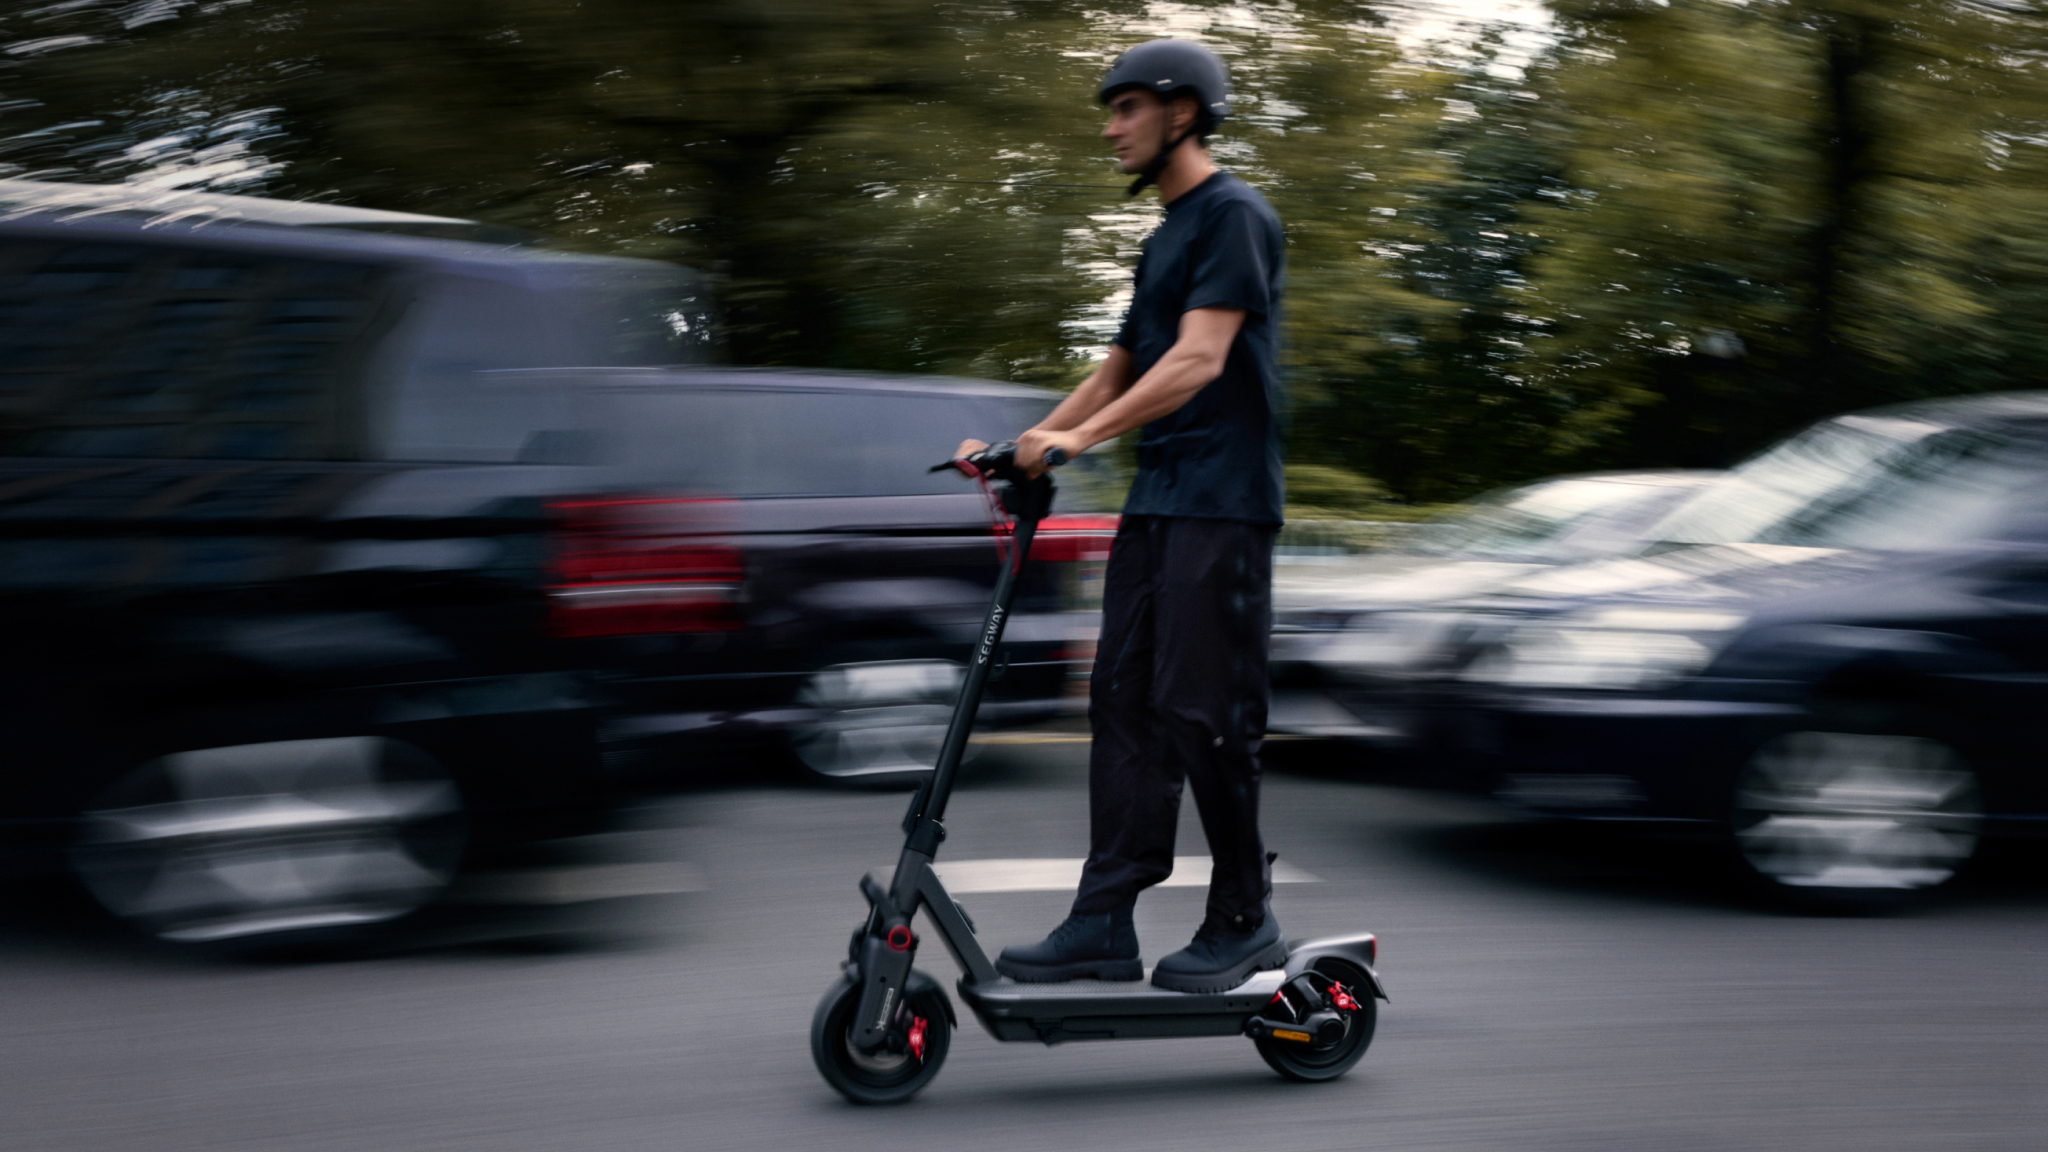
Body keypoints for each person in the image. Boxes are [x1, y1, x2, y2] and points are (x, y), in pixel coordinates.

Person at [957, 38, 1287, 995]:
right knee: (1122, 701)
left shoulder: (1235, 216)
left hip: (1223, 505)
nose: (1111, 126)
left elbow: (1198, 359)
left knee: (1203, 711)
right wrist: (1026, 438)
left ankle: (1244, 914)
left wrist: (1079, 443)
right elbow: (1122, 368)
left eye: (1127, 107)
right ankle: (1104, 917)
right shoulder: (1164, 237)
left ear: (1183, 113)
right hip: (1161, 502)